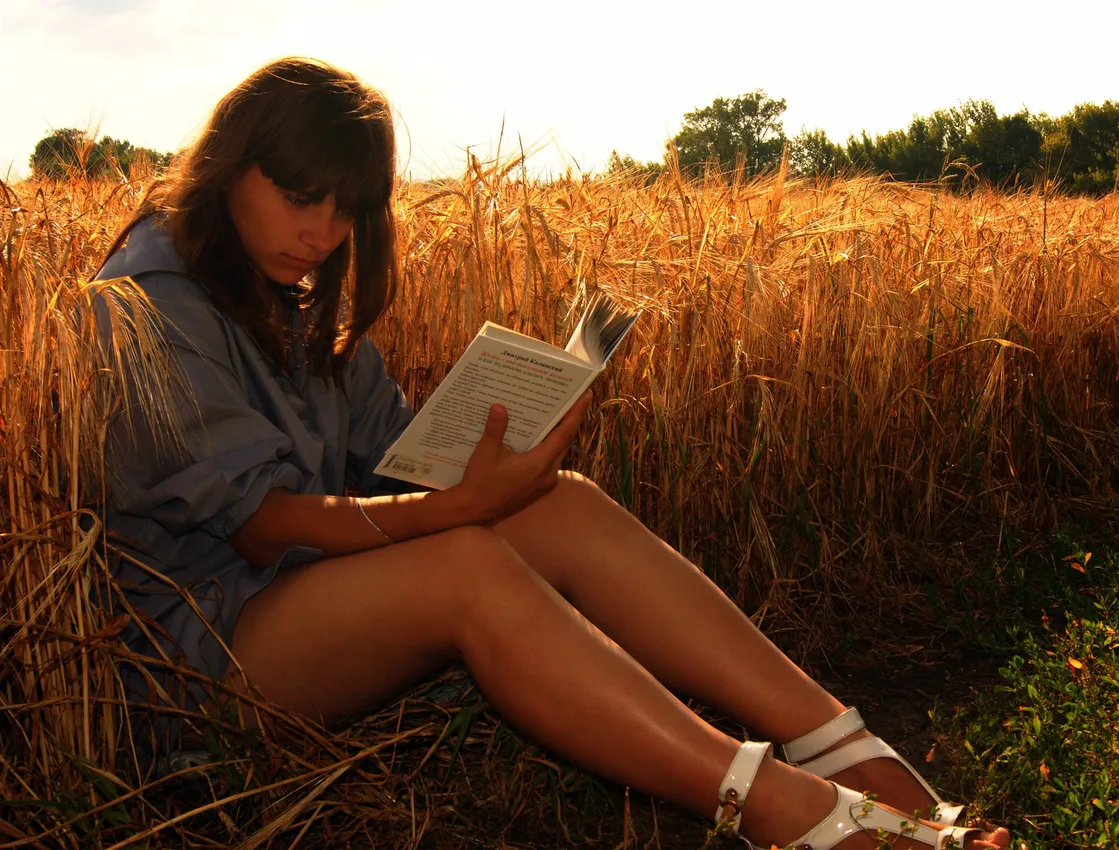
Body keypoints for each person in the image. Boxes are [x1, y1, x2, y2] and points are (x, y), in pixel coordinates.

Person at [94, 57, 1009, 850]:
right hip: (204, 662)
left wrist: (496, 450)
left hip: (308, 600)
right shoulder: (145, 303)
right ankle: (793, 813)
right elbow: (260, 527)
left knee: (554, 502)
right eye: (301, 199)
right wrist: (453, 507)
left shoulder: (290, 296)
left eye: (348, 210)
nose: (324, 234)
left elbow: (391, 467)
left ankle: (844, 748)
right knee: (465, 564)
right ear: (225, 168)